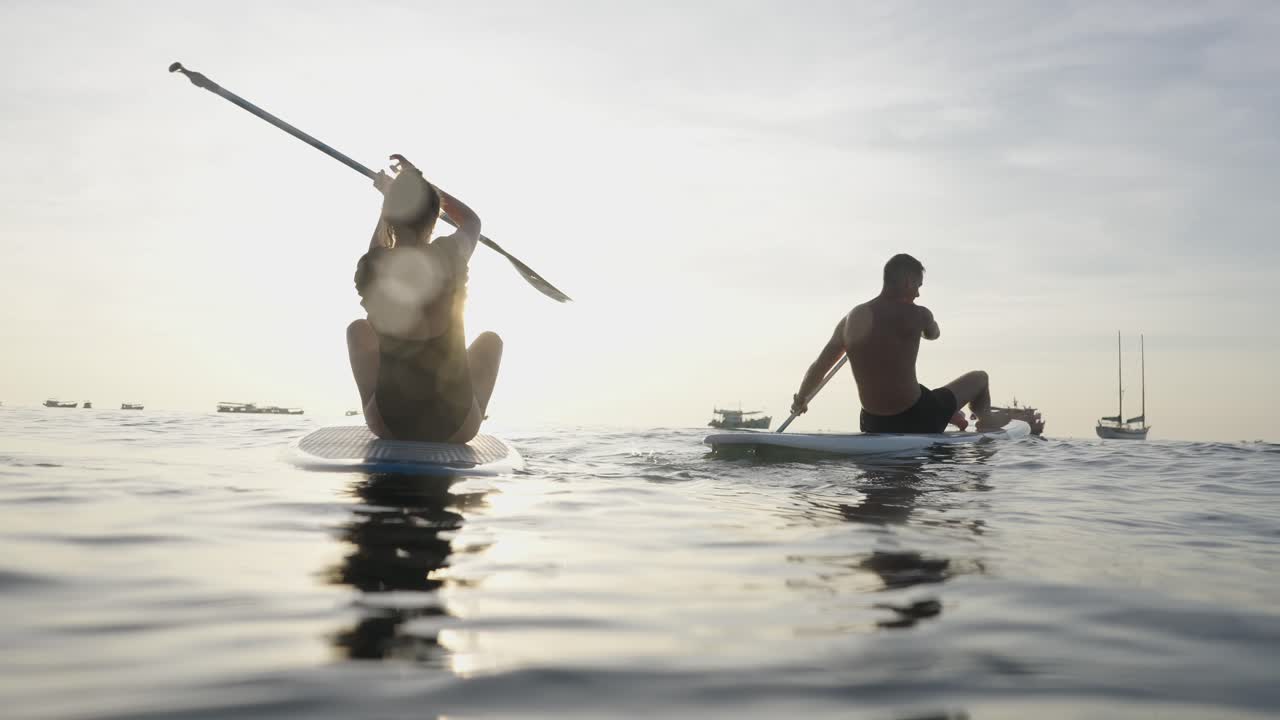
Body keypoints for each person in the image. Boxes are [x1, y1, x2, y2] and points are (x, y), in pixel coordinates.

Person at [346, 155, 502, 443]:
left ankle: (373, 409)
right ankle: (474, 412)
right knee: (491, 340)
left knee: (358, 329)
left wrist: (393, 196)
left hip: (390, 425)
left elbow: (378, 247)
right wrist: (420, 184)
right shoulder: (449, 255)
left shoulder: (373, 265)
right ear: (434, 215)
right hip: (457, 428)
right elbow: (471, 221)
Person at [789, 253, 1009, 434]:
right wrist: (926, 325)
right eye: (918, 286)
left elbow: (820, 366)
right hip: (917, 417)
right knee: (980, 378)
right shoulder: (919, 315)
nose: (919, 294)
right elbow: (934, 334)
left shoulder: (851, 319)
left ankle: (952, 414)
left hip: (873, 423)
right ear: (907, 282)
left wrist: (801, 399)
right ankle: (985, 420)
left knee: (928, 394)